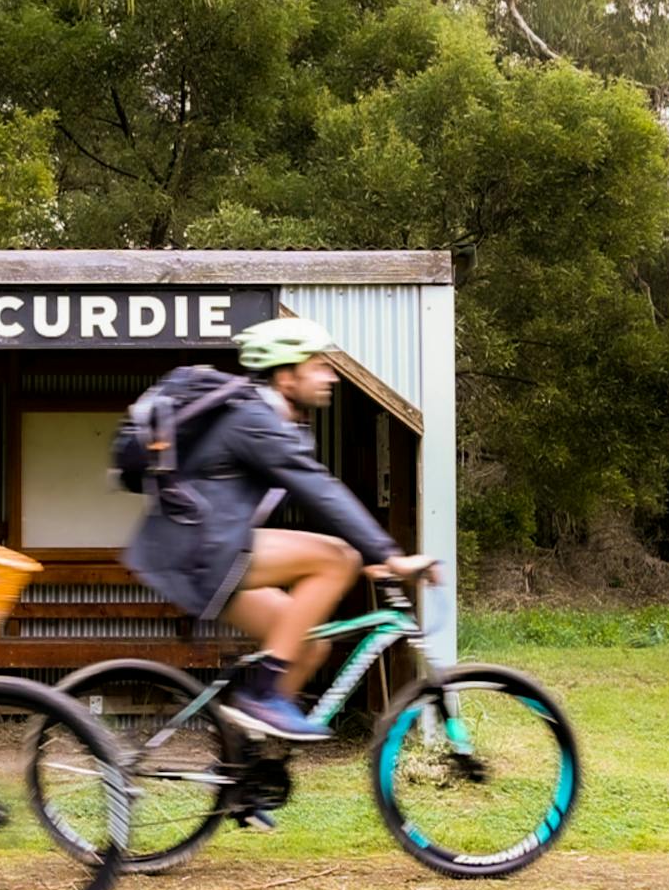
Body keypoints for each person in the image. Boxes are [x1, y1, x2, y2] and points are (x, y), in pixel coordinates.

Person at [123, 317, 440, 757]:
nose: (330, 375)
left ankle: (247, 767)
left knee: (308, 645)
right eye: (318, 365)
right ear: (286, 374)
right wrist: (387, 552)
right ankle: (262, 696)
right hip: (203, 553)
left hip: (200, 556)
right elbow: (321, 490)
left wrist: (378, 557)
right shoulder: (253, 418)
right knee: (337, 559)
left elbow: (313, 495)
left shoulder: (267, 418)